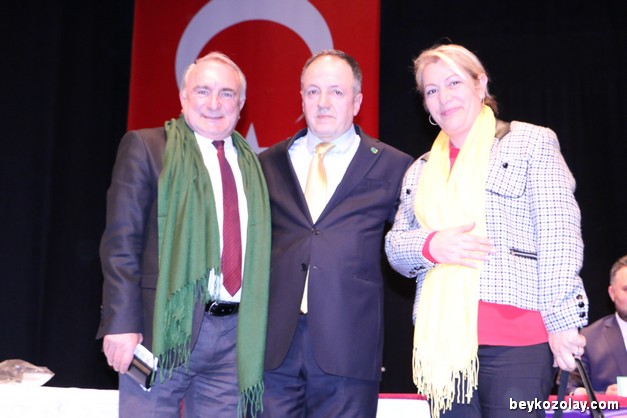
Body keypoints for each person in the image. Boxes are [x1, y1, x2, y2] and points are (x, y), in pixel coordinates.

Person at [384, 43, 589, 418]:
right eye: (432, 90)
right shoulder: (420, 169)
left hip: (518, 341)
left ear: (480, 84)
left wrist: (563, 323)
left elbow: (559, 236)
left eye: (454, 83)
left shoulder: (529, 142)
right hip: (442, 346)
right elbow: (395, 248)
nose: (444, 97)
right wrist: (431, 245)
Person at [97, 52, 271, 418]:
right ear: (183, 96)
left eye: (226, 93)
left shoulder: (255, 166)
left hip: (234, 337)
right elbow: (121, 243)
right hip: (159, 330)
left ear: (240, 104)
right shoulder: (147, 147)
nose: (213, 103)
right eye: (203, 91)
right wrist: (121, 323)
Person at [258, 49, 413, 418]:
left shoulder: (394, 165)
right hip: (274, 348)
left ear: (357, 102)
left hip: (349, 348)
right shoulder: (266, 163)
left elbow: (409, 246)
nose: (323, 102)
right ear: (301, 98)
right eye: (313, 92)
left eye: (336, 92)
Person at [568, 255, 627, 396]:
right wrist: (603, 397)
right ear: (612, 293)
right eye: (626, 289)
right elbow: (569, 389)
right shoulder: (588, 338)